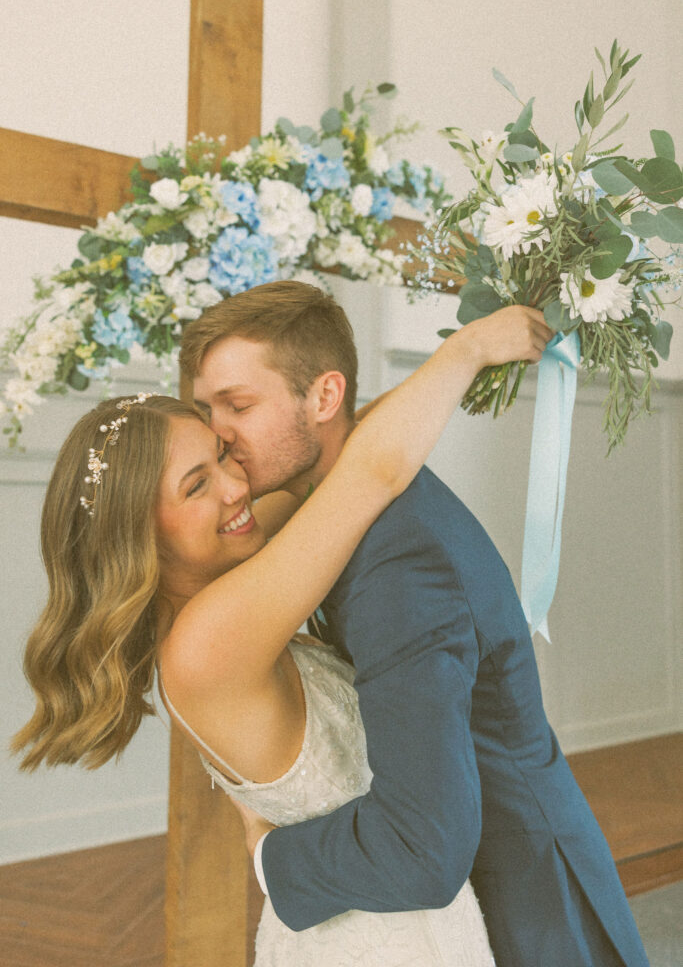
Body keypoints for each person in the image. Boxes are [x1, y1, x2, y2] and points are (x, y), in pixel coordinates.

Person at [13, 303, 550, 966]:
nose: (236, 484)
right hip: (372, 938)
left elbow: (327, 464)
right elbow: (368, 475)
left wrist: (327, 404)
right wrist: (466, 348)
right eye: (196, 485)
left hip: (371, 902)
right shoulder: (208, 641)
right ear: (139, 539)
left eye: (221, 455)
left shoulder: (218, 577)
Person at [180, 280, 649, 967]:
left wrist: (269, 855)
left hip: (517, 891)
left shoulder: (397, 568)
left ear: (323, 397)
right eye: (204, 409)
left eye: (239, 405)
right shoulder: (337, 498)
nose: (218, 435)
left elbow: (424, 847)